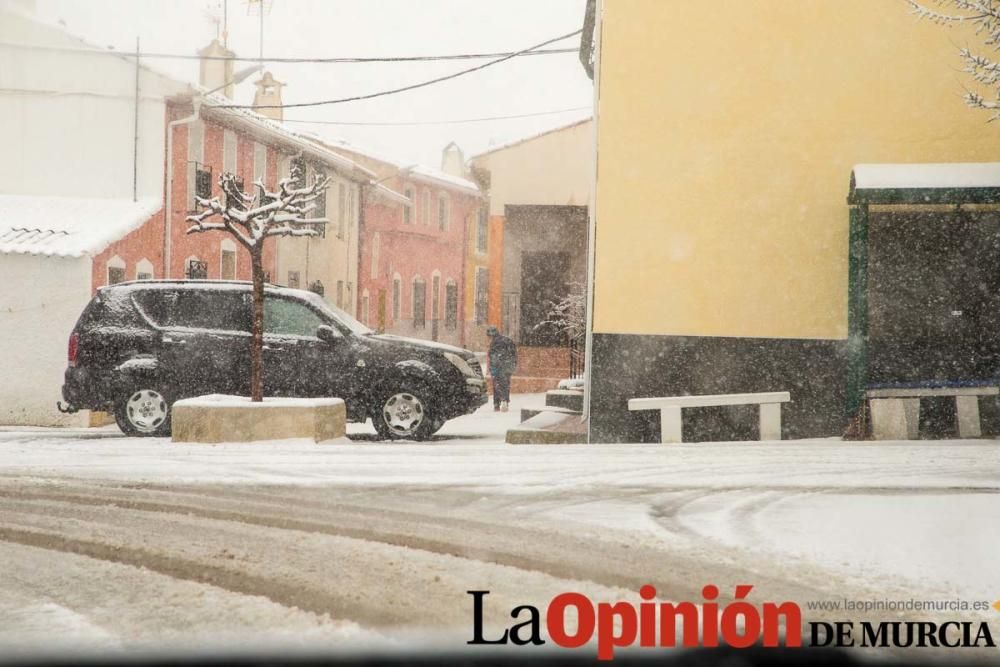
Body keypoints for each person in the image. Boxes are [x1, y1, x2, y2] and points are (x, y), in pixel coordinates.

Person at [486, 325, 517, 412]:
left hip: (499, 367)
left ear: (491, 335)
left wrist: (493, 369)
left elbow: (493, 356)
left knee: (497, 385)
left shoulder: (495, 342)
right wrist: (513, 366)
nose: (488, 338)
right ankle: (505, 401)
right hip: (508, 367)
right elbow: (514, 354)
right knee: (506, 384)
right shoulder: (508, 340)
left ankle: (497, 404)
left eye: (488, 336)